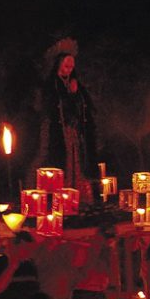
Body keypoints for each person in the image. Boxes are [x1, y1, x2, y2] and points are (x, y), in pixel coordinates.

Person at [32, 37, 97, 204]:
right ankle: (56, 199)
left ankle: (77, 198)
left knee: (77, 162)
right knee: (56, 161)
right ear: (59, 64)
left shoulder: (76, 85)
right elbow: (48, 107)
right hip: (56, 131)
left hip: (74, 132)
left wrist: (75, 93)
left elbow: (84, 108)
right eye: (66, 66)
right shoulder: (51, 85)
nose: (69, 69)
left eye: (72, 66)